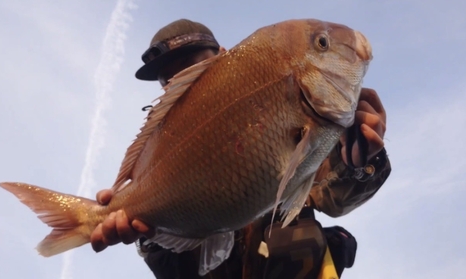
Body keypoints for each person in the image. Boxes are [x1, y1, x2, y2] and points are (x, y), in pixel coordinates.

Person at [91, 19, 391, 279]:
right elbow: (176, 271)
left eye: (194, 65)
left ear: (223, 58)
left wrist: (360, 162)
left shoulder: (288, 111)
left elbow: (334, 198)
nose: (180, 83)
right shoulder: (164, 157)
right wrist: (147, 233)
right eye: (167, 81)